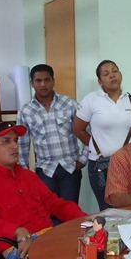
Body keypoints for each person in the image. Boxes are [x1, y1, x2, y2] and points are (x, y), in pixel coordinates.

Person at [0, 120, 86, 259]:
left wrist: (86, 219)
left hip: (50, 239)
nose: (14, 146)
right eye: (6, 141)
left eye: (15, 140)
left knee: (101, 255)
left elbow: (54, 204)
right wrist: (16, 231)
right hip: (20, 250)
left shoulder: (28, 176)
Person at [73, 60, 131, 211]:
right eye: (106, 74)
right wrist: (95, 146)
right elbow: (78, 129)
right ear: (100, 81)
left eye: (115, 71)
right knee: (108, 209)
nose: (112, 75)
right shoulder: (91, 100)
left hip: (130, 164)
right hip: (100, 166)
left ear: (120, 74)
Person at [18, 64, 88, 203]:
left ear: (53, 81)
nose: (43, 84)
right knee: (49, 214)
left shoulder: (70, 104)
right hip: (45, 170)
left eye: (47, 80)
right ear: (32, 83)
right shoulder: (25, 111)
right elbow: (22, 145)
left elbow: (88, 132)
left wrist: (84, 158)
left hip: (70, 168)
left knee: (71, 212)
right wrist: (24, 173)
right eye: (38, 81)